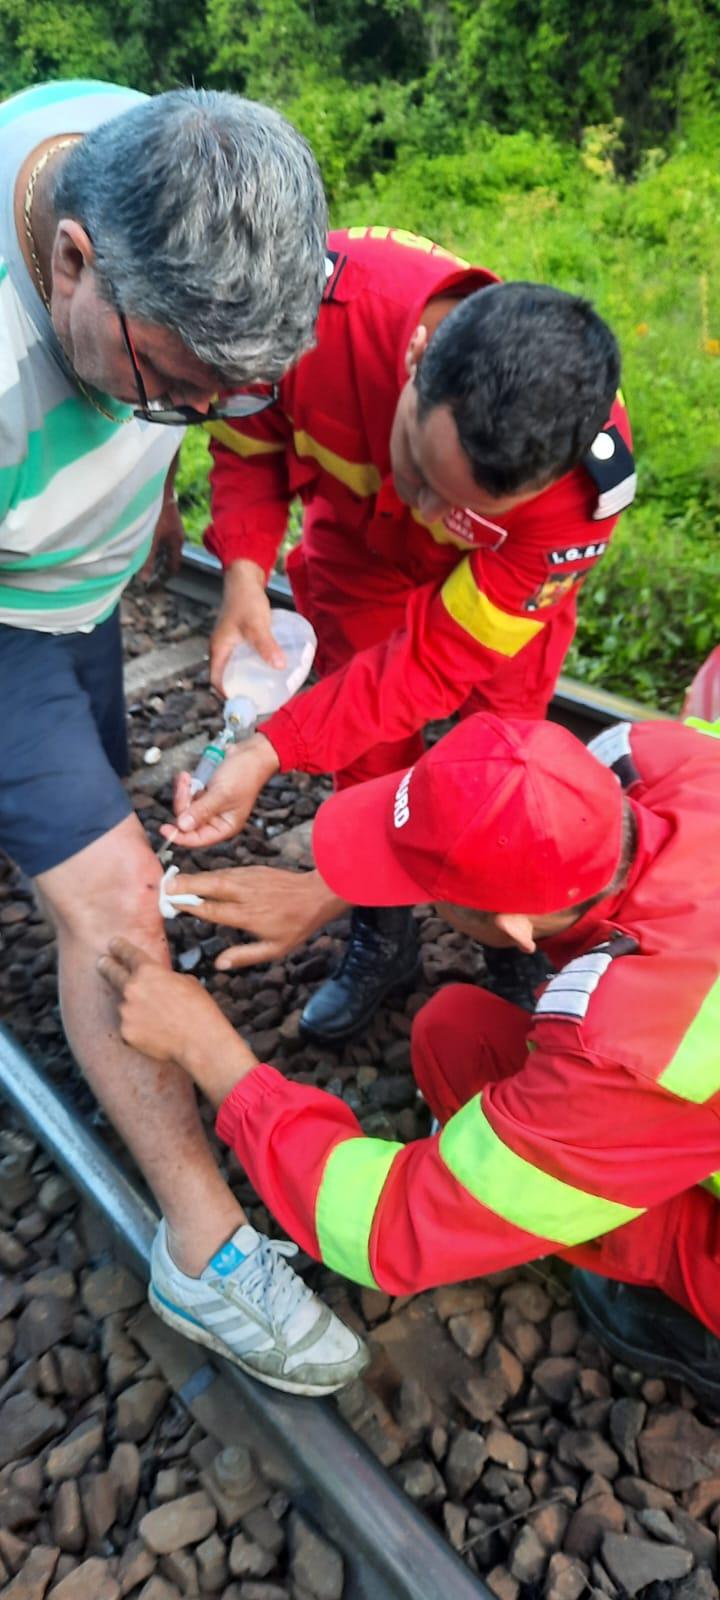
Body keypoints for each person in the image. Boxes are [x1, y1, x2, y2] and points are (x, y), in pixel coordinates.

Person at [0, 78, 367, 1393]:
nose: (191, 420)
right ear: (70, 261)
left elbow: (192, 381)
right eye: (170, 387)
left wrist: (153, 493)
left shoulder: (162, 151)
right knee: (116, 914)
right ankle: (204, 1251)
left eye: (226, 397)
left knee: (82, 820)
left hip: (73, 589)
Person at [105, 713, 720, 1403]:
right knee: (457, 1034)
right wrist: (324, 889)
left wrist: (208, 1051)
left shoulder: (637, 1043)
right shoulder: (660, 756)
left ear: (512, 930)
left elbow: (387, 1226)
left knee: (620, 1213)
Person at [172, 224, 636, 1045]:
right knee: (366, 758)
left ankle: (516, 940)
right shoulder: (305, 309)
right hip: (360, 557)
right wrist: (244, 567)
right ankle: (382, 937)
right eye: (416, 469)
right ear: (417, 355)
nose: (423, 510)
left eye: (455, 507)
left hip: (492, 609)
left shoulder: (580, 496)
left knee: (508, 753)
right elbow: (248, 439)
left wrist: (271, 744)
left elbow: (433, 659)